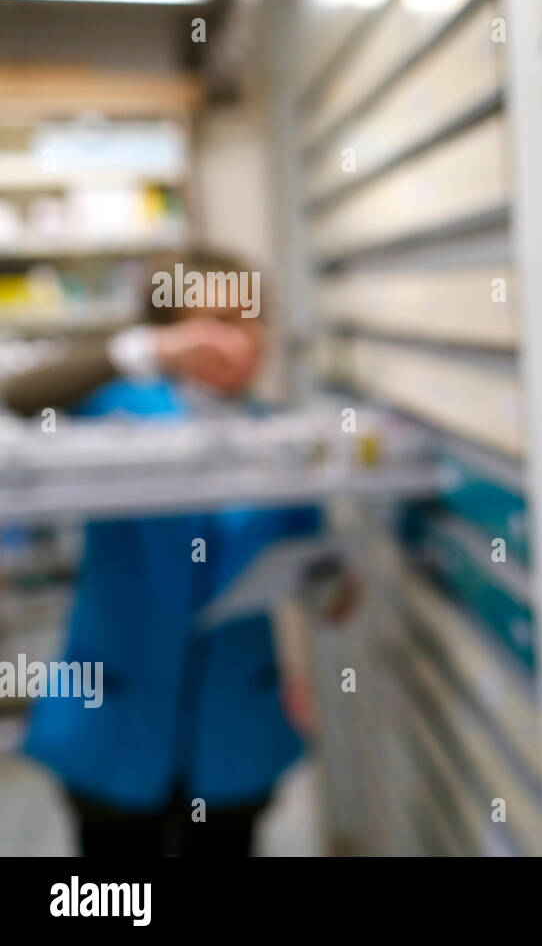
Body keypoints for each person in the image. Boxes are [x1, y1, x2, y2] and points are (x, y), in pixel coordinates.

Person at [5, 250, 345, 857]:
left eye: (252, 318)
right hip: (112, 718)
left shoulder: (283, 438)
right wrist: (143, 355)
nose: (242, 338)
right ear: (171, 332)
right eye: (218, 319)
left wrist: (331, 589)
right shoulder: (115, 412)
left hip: (235, 729)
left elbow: (309, 557)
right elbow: (16, 398)